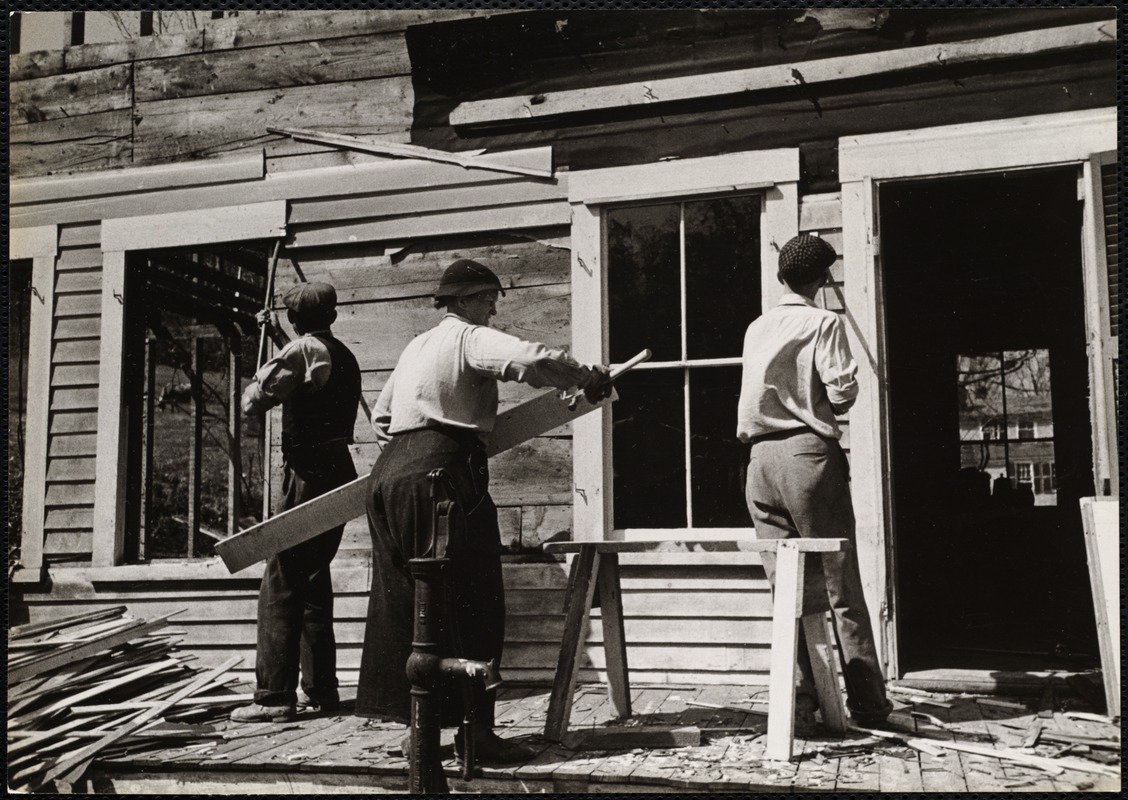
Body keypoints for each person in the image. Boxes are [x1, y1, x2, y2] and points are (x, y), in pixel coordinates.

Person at [356, 259, 612, 762]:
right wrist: (585, 375)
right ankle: (476, 736)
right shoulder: (468, 338)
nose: (494, 308)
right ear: (467, 300)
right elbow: (530, 358)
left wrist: (417, 443)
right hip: (442, 476)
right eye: (489, 299)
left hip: (389, 477)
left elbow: (383, 417)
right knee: (474, 600)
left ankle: (421, 730)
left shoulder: (416, 346)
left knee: (411, 605)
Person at [736, 235, 893, 734]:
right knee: (838, 581)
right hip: (806, 455)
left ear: (782, 276)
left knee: (789, 590)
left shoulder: (757, 327)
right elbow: (843, 394)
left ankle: (801, 707)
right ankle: (867, 704)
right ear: (823, 279)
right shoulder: (824, 322)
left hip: (759, 462)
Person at [231, 282, 362, 723]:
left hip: (305, 475)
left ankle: (273, 698)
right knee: (312, 576)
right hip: (338, 471)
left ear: (293, 318)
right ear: (333, 316)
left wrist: (257, 377)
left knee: (282, 577)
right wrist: (280, 342)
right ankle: (322, 690)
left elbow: (256, 402)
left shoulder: (301, 350)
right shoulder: (338, 352)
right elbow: (311, 370)